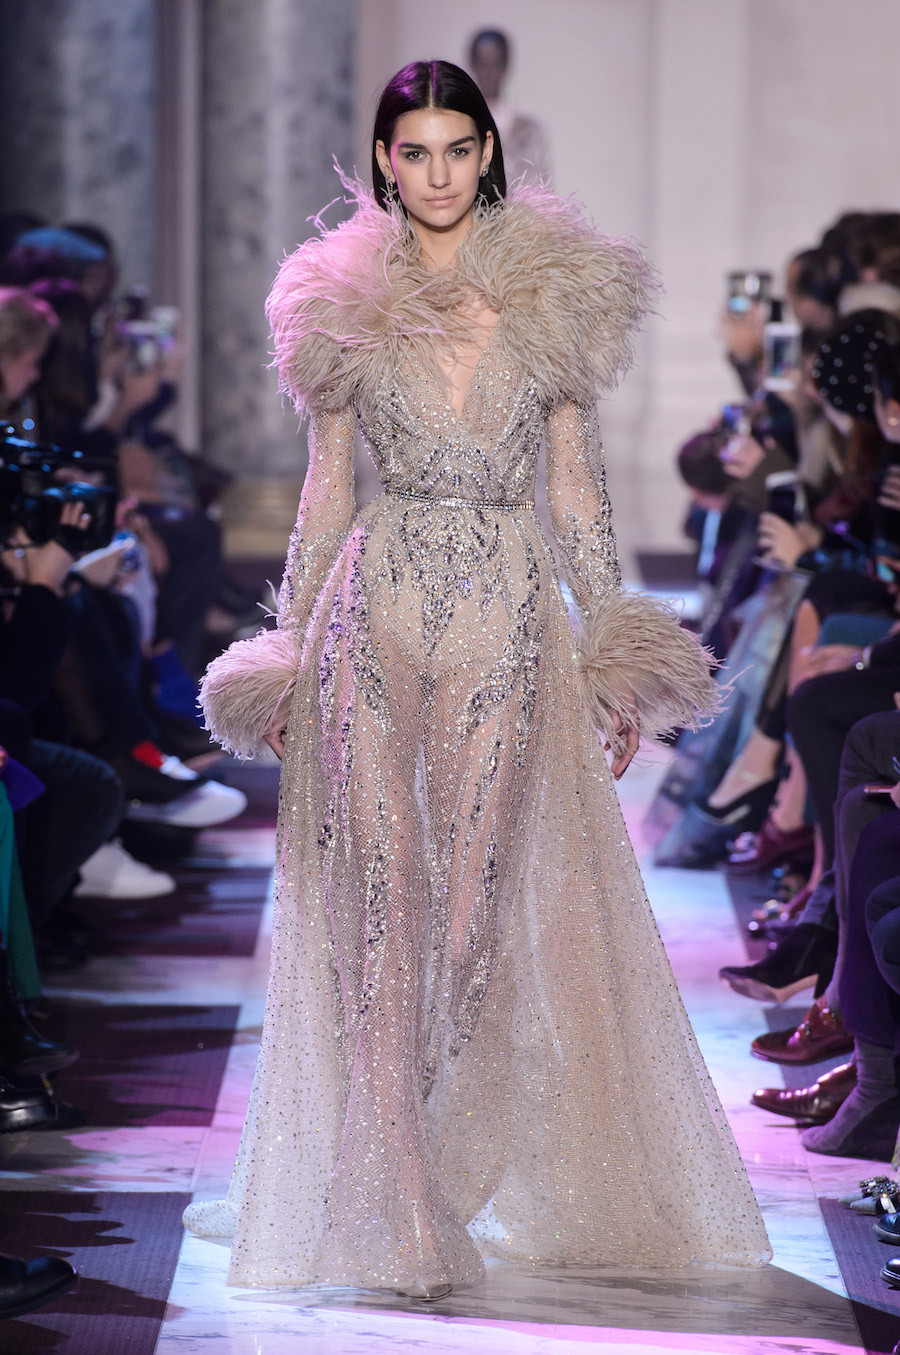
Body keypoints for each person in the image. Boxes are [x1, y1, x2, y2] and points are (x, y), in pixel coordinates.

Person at [184, 60, 770, 1298]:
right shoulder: (340, 302)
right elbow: (326, 493)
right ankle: (393, 1193)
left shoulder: (553, 296)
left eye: (460, 148)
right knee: (383, 900)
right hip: (374, 612)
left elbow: (575, 490)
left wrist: (611, 654)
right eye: (417, 150)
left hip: (507, 611)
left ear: (488, 153)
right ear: (384, 161)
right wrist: (286, 650)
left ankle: (435, 1153)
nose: (439, 173)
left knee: (470, 909)